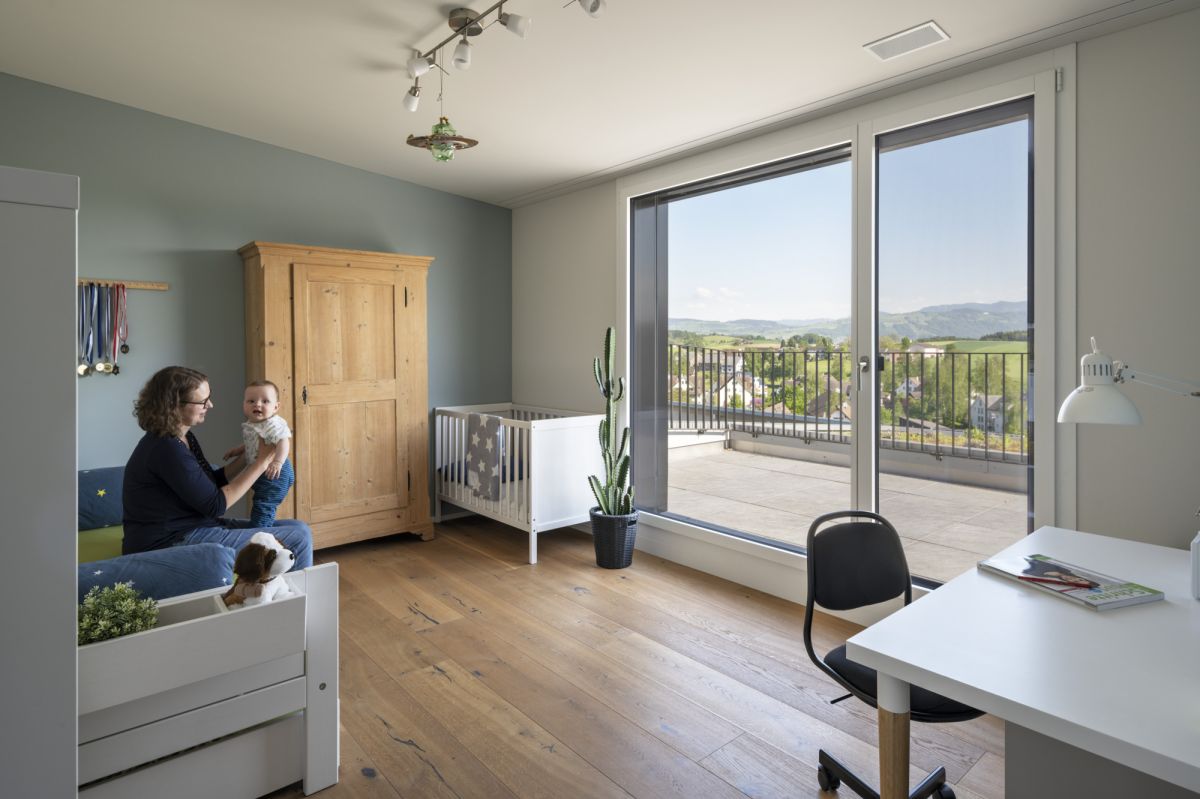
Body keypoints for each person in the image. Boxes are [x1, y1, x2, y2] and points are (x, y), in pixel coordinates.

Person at [122, 366, 312, 570]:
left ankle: (275, 593)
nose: (210, 405)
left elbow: (210, 483)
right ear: (174, 405)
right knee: (298, 538)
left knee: (298, 527)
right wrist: (262, 462)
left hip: (195, 525)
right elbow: (215, 505)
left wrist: (249, 456)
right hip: (167, 541)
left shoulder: (182, 438)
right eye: (203, 401)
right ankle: (284, 597)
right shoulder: (166, 449)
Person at [223, 380, 294, 527]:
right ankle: (261, 527)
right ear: (244, 405)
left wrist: (277, 462)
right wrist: (240, 449)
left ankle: (260, 532)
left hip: (275, 473)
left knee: (263, 504)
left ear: (276, 407)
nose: (257, 404)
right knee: (260, 501)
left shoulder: (272, 423)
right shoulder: (255, 424)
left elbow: (283, 441)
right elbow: (255, 442)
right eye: (251, 401)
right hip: (264, 470)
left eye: (265, 401)